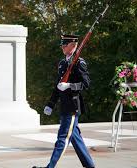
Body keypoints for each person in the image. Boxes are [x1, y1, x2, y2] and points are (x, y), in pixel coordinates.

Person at [33, 34, 95, 168]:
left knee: (62, 138)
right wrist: (51, 103)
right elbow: (58, 85)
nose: (62, 47)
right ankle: (90, 166)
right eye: (62, 44)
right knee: (75, 138)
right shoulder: (62, 63)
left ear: (73, 45)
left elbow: (86, 83)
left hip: (72, 107)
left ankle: (50, 167)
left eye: (65, 45)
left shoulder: (79, 63)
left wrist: (70, 86)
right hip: (64, 106)